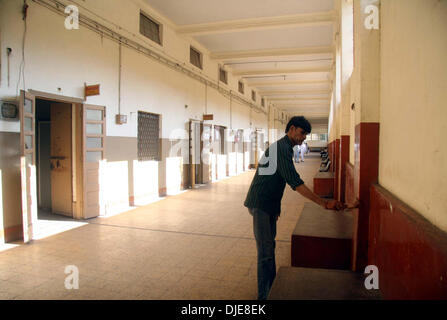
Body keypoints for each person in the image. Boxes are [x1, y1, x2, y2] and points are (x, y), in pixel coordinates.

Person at [244, 116, 345, 300]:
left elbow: (275, 180)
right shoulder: (282, 149)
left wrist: (276, 209)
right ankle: (264, 296)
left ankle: (270, 288)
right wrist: (324, 203)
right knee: (265, 252)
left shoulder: (285, 147)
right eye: (302, 133)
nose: (304, 137)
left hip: (268, 204)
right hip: (260, 204)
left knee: (269, 247)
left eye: (306, 134)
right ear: (291, 129)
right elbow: (295, 183)